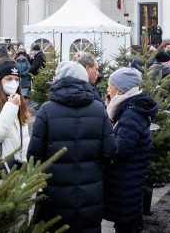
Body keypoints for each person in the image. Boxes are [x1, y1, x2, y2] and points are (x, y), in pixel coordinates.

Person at [28, 61, 116, 232]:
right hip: (91, 190)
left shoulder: (46, 110)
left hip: (55, 191)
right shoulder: (99, 109)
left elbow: (34, 155)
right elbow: (110, 150)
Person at [103, 67, 158, 233]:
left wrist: (103, 141)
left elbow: (121, 149)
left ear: (119, 90)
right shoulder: (128, 108)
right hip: (128, 178)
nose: (107, 89)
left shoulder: (131, 114)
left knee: (126, 224)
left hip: (127, 179)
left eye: (110, 85)